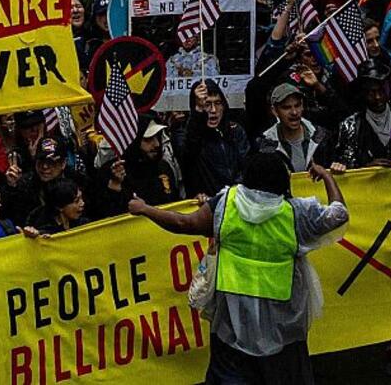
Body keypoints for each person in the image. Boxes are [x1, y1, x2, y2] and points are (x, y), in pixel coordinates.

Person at [129, 151, 349, 384]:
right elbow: (339, 214)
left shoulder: (226, 204)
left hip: (231, 326)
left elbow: (184, 223)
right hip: (282, 330)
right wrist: (326, 176)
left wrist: (145, 209)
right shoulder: (296, 213)